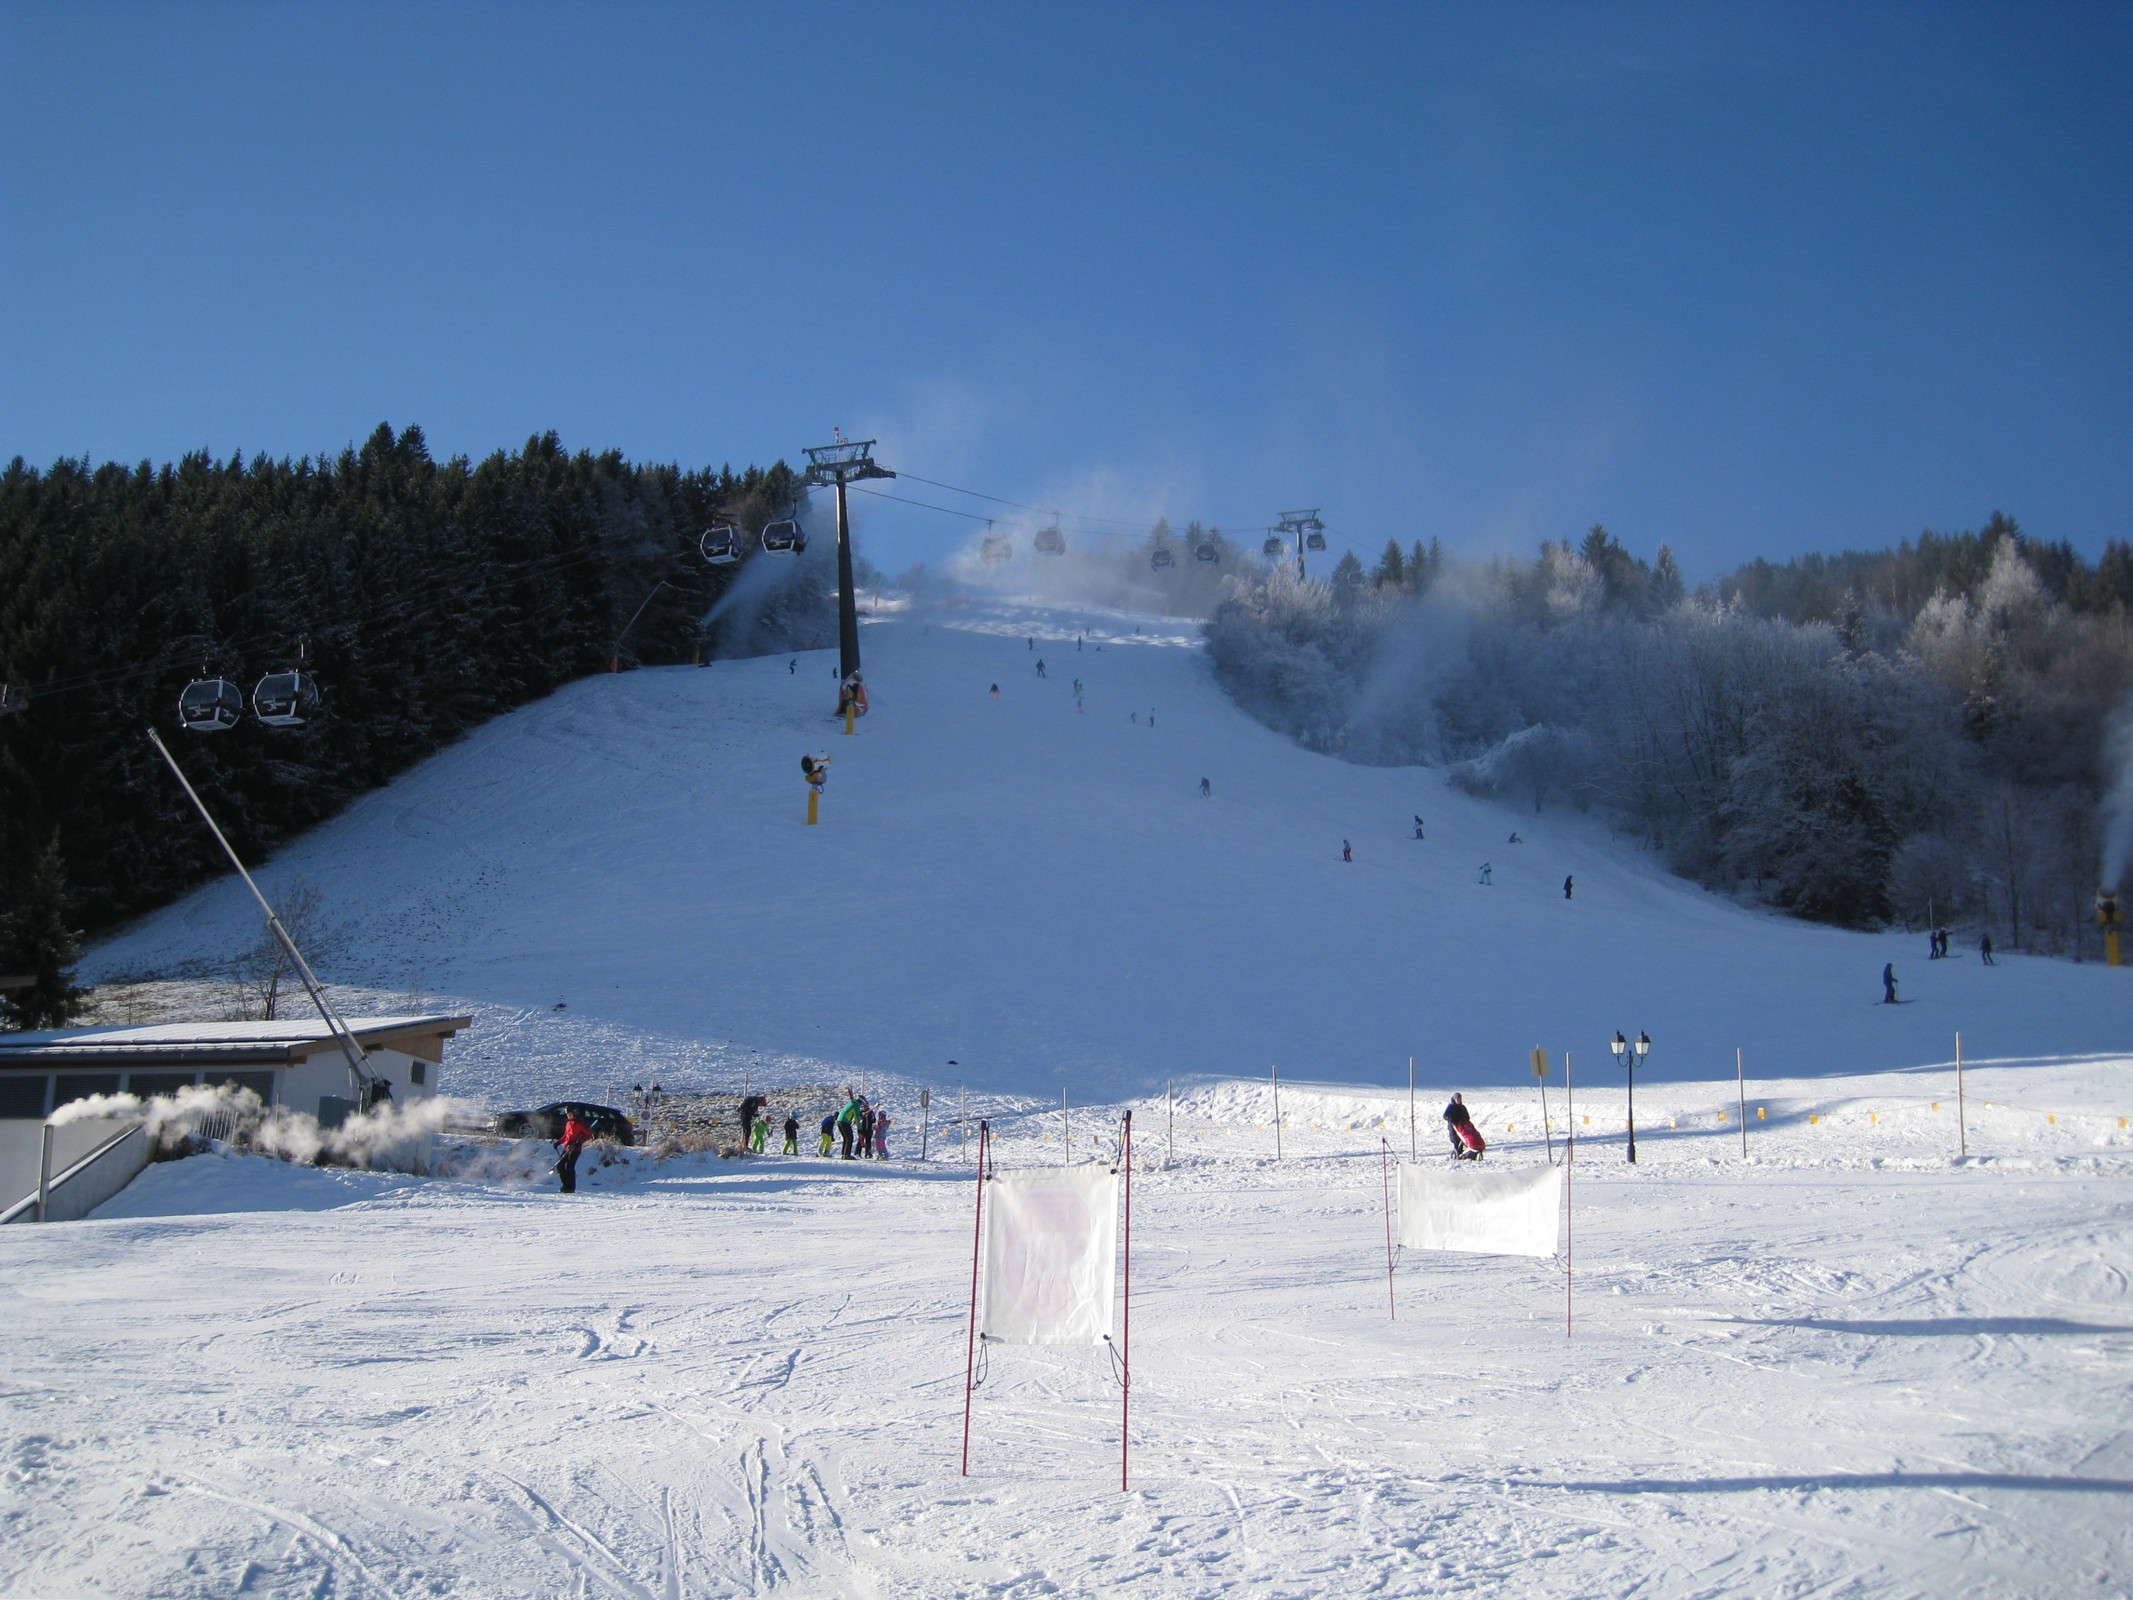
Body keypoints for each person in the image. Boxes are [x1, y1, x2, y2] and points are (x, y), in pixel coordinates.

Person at [555, 1108, 592, 1194]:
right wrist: (559, 1142)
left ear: (574, 1114)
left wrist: (580, 1142)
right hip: (566, 1148)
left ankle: (570, 1187)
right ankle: (565, 1185)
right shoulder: (568, 1123)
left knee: (570, 1167)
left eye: (569, 1114)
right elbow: (565, 1136)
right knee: (559, 1165)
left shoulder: (579, 1124)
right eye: (567, 1114)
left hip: (575, 1149)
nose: (568, 1115)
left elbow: (588, 1134)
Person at [1442, 1094, 1483, 1160]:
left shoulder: (1462, 1107)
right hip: (1454, 1127)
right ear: (1454, 1100)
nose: (1458, 1101)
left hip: (1462, 1127)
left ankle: (1468, 1152)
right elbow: (1445, 1116)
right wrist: (1451, 1120)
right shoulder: (1451, 1107)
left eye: (1459, 1099)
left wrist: (1464, 1120)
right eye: (1457, 1099)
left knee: (1465, 1138)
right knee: (1456, 1141)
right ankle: (1457, 1152)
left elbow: (1467, 1116)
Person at [837, 1093, 863, 1158]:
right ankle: (847, 1155)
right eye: (862, 1104)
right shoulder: (856, 1105)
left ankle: (843, 1154)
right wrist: (859, 1127)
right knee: (850, 1138)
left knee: (846, 1138)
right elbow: (857, 1117)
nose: (861, 1106)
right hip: (845, 1121)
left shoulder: (852, 1102)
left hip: (839, 1120)